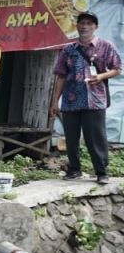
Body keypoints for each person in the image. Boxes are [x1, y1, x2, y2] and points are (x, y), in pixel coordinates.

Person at [50, 11, 121, 185]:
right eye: (82, 23)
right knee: (71, 137)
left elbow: (117, 68)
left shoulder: (105, 46)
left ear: (95, 27)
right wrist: (54, 102)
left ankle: (101, 172)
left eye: (89, 24)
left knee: (95, 137)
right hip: (71, 100)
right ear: (77, 26)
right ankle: (74, 169)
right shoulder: (68, 49)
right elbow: (61, 76)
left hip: (95, 100)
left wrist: (101, 77)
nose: (85, 27)